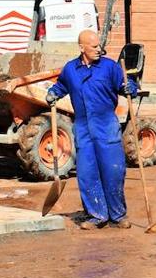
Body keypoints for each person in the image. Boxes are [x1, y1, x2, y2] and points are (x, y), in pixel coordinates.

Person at [47, 30, 136, 230]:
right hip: (83, 127)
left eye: (99, 46)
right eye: (94, 47)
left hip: (106, 125)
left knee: (113, 171)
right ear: (82, 48)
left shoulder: (109, 67)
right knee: (87, 173)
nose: (99, 50)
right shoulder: (71, 69)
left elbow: (126, 84)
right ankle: (97, 215)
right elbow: (61, 86)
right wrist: (53, 93)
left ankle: (118, 214)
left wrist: (130, 87)